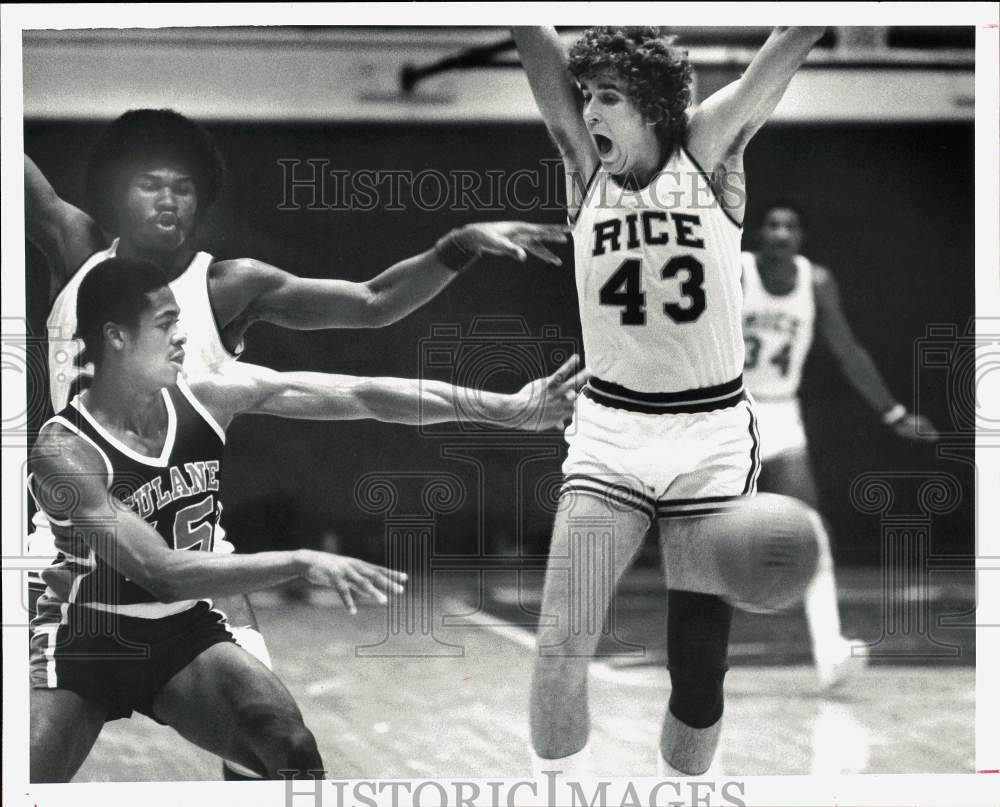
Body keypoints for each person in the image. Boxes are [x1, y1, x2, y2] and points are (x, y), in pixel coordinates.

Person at [24, 109, 568, 778]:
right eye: (150, 183)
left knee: (276, 750)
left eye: (184, 186)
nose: (169, 201)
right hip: (76, 580)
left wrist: (505, 398)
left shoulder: (215, 334)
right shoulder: (75, 253)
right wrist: (300, 560)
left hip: (192, 585)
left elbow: (364, 359)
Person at [512, 25, 826, 777]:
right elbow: (533, 39)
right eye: (586, 95)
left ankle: (687, 790)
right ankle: (560, 791)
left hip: (711, 436)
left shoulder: (708, 152)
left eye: (609, 98)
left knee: (698, 660)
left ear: (652, 107)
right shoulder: (584, 167)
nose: (589, 111)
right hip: (611, 434)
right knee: (561, 640)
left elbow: (781, 51)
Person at [742, 199, 937, 689]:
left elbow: (848, 352)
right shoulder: (737, 271)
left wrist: (893, 413)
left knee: (813, 533)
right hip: (731, 410)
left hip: (783, 410)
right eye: (772, 224)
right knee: (711, 533)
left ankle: (830, 653)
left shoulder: (817, 282)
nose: (781, 233)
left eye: (790, 226)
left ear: (801, 237)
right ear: (760, 233)